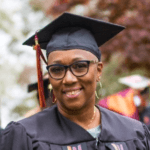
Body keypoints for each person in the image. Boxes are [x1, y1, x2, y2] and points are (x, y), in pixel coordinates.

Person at [1, 12, 150, 150]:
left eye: (79, 66)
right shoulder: (25, 136)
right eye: (57, 69)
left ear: (98, 71)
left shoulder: (134, 133)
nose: (69, 79)